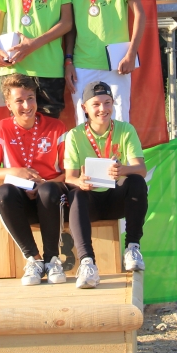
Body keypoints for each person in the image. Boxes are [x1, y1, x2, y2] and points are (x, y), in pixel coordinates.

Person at [0, 74, 70, 286]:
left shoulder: (56, 127)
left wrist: (44, 184)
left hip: (52, 200)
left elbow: (70, 171)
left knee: (48, 191)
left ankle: (52, 259)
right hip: (21, 201)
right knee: (3, 193)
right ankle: (34, 260)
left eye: (30, 98)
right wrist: (15, 172)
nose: (26, 105)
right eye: (19, 101)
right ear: (9, 104)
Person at [64, 81, 148, 289]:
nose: (103, 109)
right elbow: (69, 177)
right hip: (90, 201)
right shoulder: (74, 135)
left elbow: (141, 168)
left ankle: (132, 247)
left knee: (136, 181)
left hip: (115, 199)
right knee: (76, 194)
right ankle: (87, 262)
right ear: (84, 108)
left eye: (107, 103)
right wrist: (80, 182)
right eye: (96, 104)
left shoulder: (125, 129)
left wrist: (123, 170)